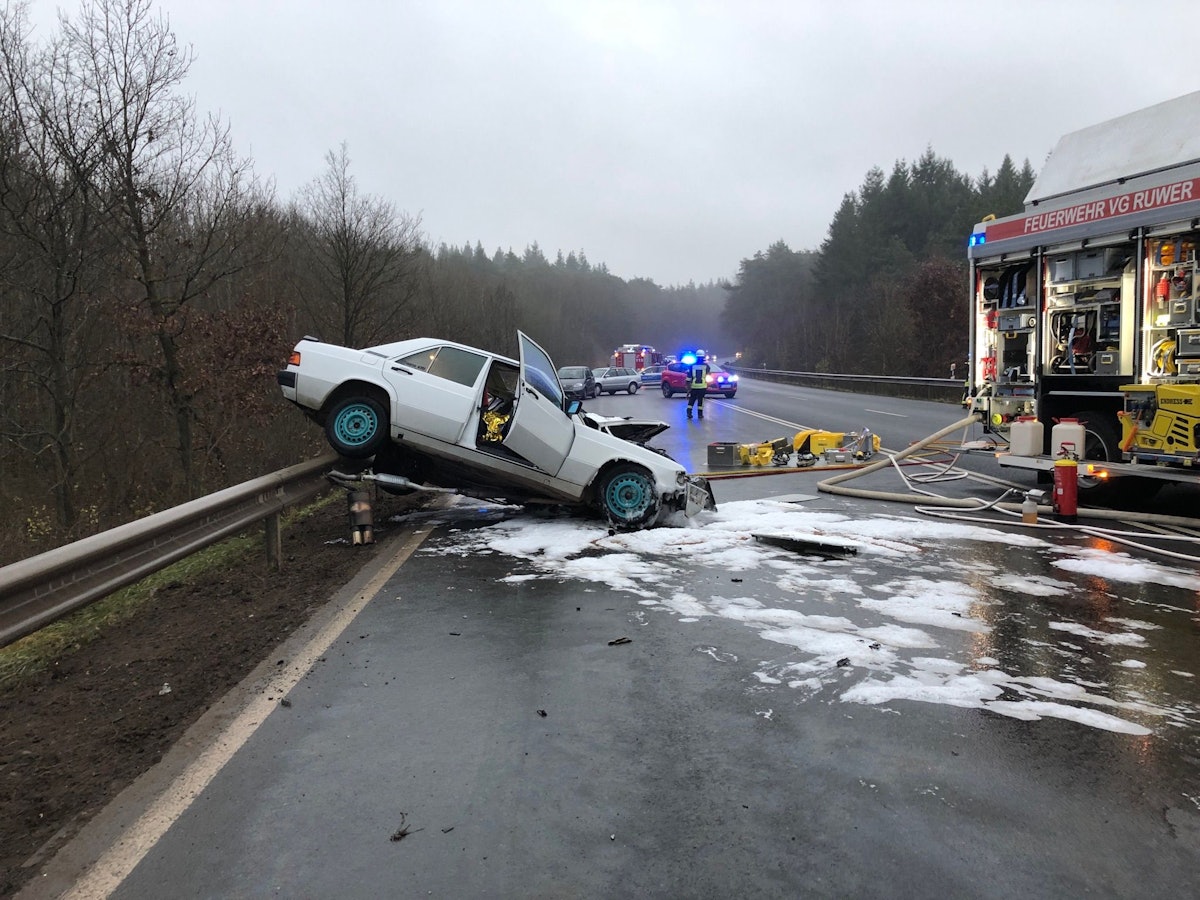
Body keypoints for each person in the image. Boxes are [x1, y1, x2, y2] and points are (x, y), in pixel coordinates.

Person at [686, 352, 711, 419]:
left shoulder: (692, 365)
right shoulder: (706, 366)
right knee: (701, 400)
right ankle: (700, 414)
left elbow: (688, 378)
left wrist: (688, 388)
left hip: (694, 386)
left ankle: (689, 412)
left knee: (692, 399)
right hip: (702, 386)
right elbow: (708, 374)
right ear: (703, 357)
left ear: (696, 357)